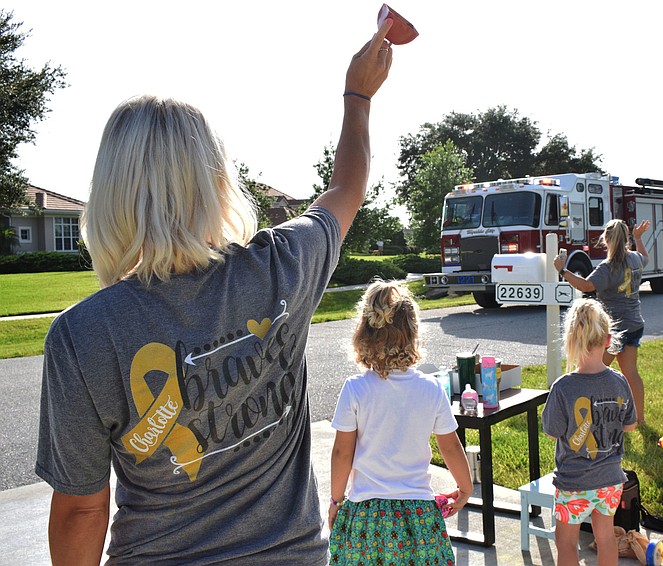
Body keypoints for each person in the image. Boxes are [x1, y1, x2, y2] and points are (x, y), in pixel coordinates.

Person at [34, 20, 395, 565]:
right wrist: (358, 96)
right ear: (215, 181)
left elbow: (81, 511)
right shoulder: (281, 265)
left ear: (110, 193)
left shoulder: (82, 335)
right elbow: (347, 186)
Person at [327, 280, 472, 564]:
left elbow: (342, 453)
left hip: (366, 516)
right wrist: (465, 488)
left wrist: (335, 500)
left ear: (364, 334)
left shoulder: (355, 388)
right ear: (414, 334)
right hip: (418, 516)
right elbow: (451, 447)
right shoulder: (430, 388)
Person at [542, 298, 637, 566]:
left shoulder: (563, 387)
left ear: (570, 340)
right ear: (608, 340)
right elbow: (630, 424)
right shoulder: (619, 381)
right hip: (610, 480)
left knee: (566, 543)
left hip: (573, 483)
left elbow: (553, 432)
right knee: (606, 538)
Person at [554, 218, 650, 423]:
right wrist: (639, 238)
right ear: (626, 239)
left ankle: (590, 418)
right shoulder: (634, 259)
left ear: (606, 239)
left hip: (613, 329)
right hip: (634, 324)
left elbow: (587, 286)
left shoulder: (608, 267)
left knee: (592, 372)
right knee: (631, 373)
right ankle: (638, 419)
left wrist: (562, 270)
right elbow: (645, 257)